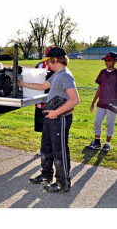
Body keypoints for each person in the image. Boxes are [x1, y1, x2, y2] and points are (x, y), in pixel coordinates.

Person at [18, 47, 80, 193]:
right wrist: (23, 84)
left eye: (49, 62)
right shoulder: (57, 74)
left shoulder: (65, 75)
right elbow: (42, 86)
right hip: (50, 117)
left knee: (59, 151)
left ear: (56, 60)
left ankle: (62, 183)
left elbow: (75, 100)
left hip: (60, 118)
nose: (48, 65)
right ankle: (46, 175)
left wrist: (56, 113)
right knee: (46, 148)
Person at [86, 52, 117, 152]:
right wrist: (93, 102)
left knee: (109, 124)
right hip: (101, 102)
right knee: (97, 122)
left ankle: (107, 144)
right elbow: (99, 88)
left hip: (113, 104)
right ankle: (97, 142)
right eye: (105, 60)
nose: (106, 62)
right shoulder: (102, 72)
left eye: (109, 60)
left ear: (114, 61)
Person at [34, 46, 55, 156]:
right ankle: (43, 147)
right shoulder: (39, 65)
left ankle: (50, 148)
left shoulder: (58, 67)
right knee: (43, 127)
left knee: (52, 127)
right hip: (40, 102)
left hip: (53, 103)